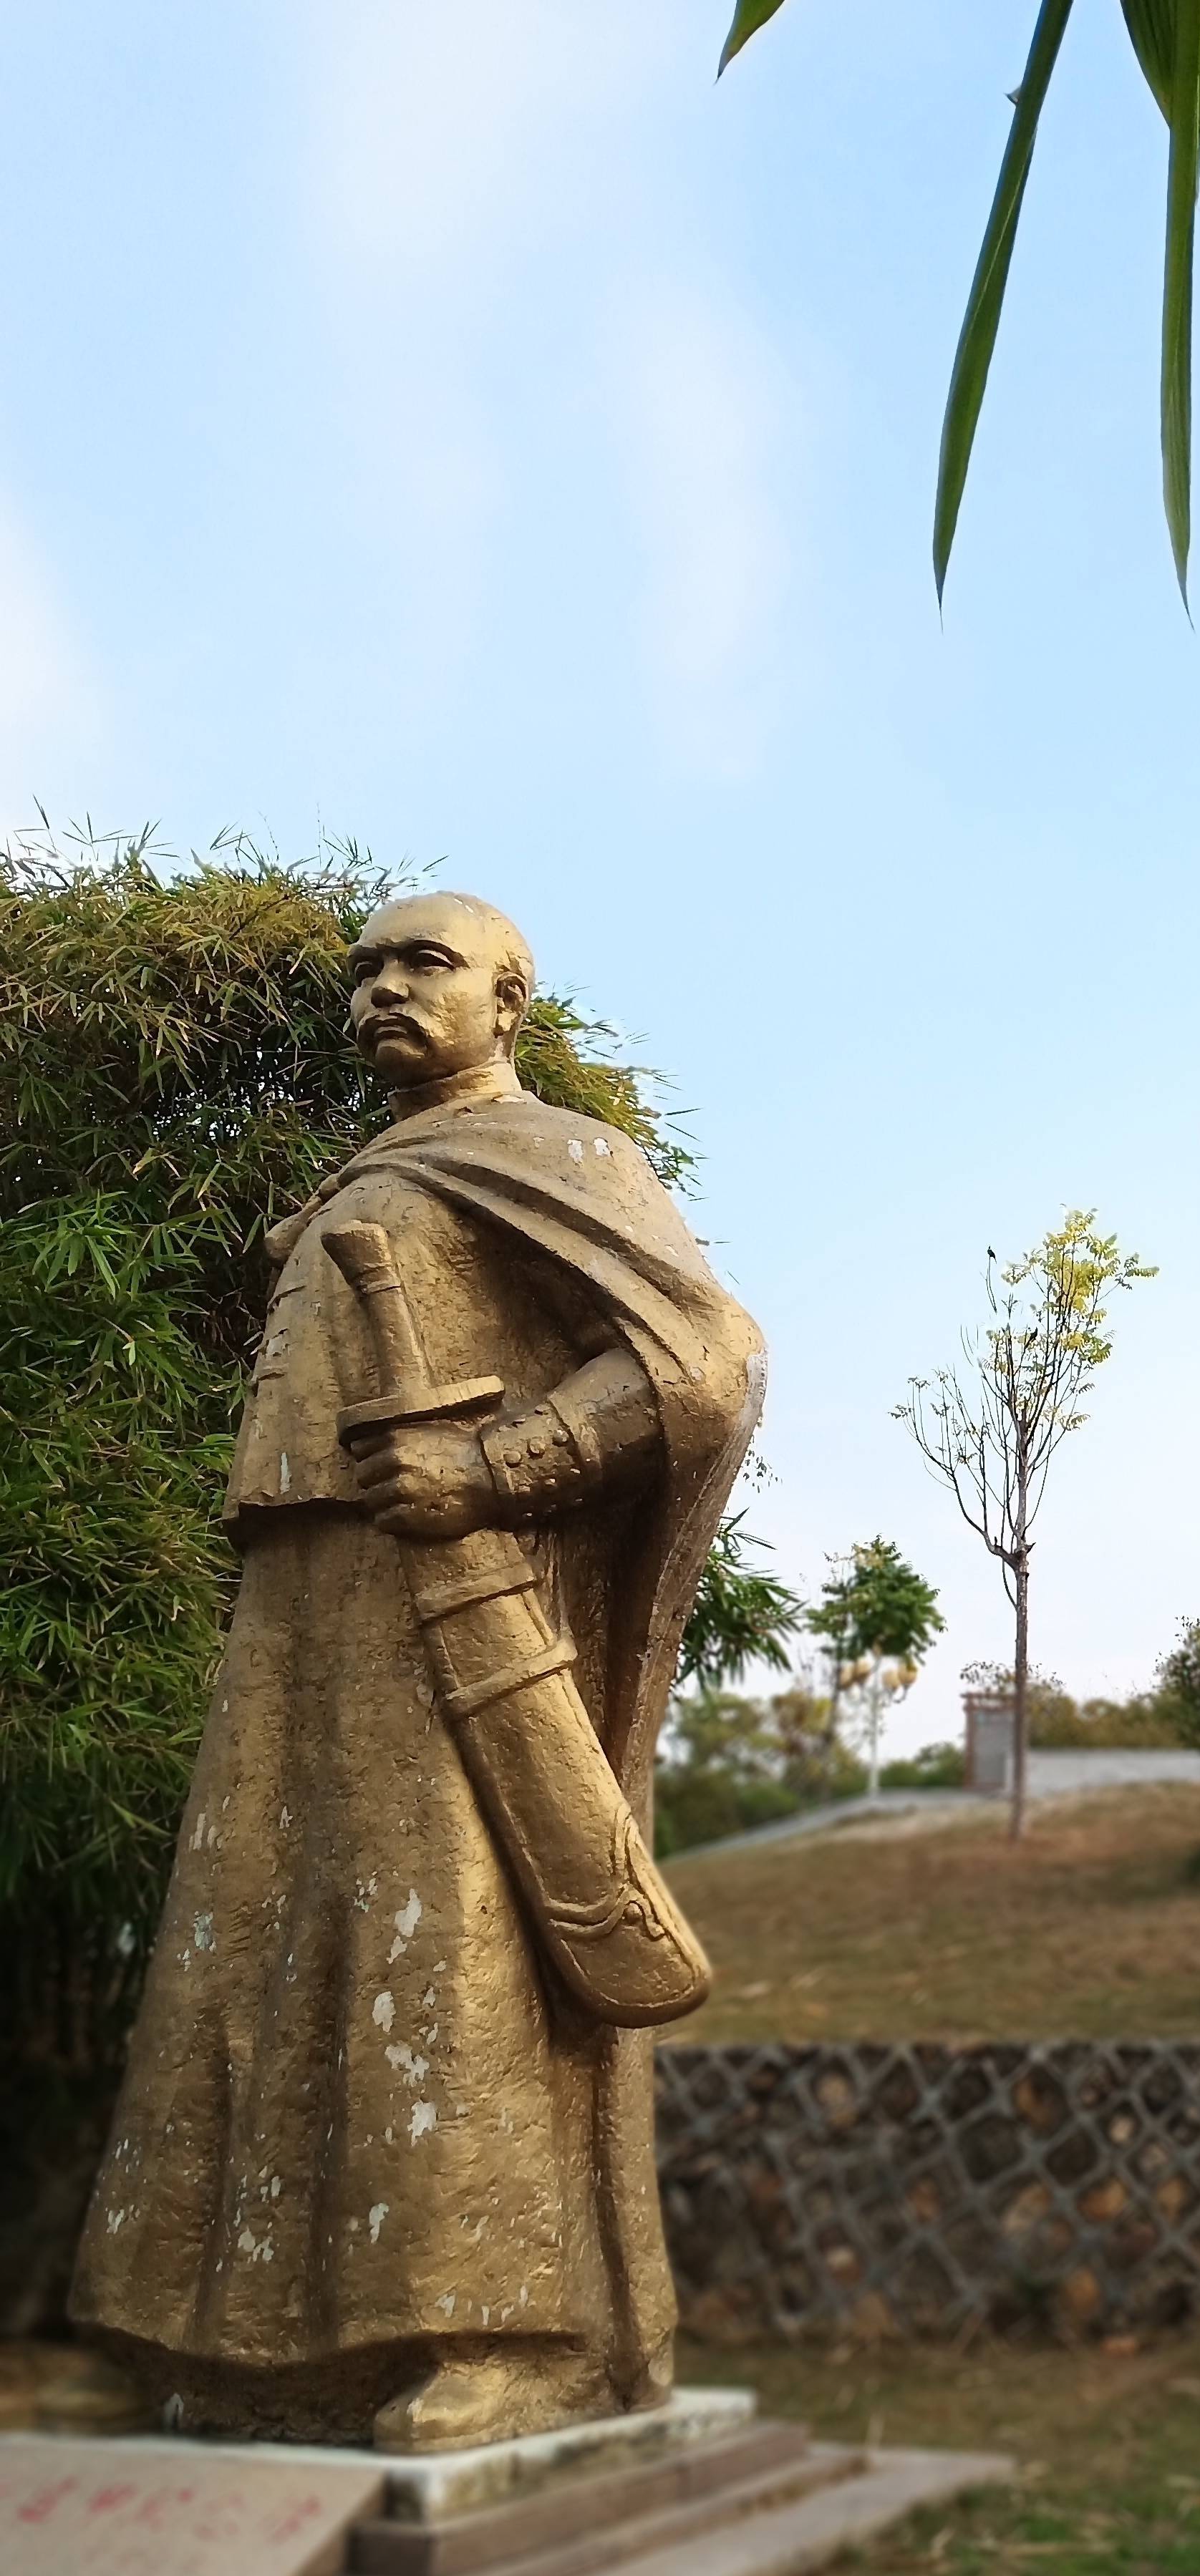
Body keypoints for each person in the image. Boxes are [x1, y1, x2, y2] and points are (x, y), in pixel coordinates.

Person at [72, 894, 763, 2451]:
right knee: (257, 1932)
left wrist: (507, 1460)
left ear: (511, 1001)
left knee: (450, 1934)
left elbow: (703, 1360)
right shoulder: (361, 1181)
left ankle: (512, 2331)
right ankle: (263, 2343)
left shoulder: (557, 1158)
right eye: (370, 970)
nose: (387, 989)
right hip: (299, 1604)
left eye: (426, 965)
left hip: (455, 1611)